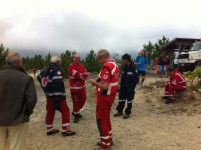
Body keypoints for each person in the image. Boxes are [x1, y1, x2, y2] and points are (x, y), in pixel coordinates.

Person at [0, 51, 37, 150]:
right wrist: (26, 113)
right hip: (18, 119)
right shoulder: (26, 78)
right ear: (18, 62)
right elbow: (32, 100)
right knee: (16, 148)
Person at [37, 54, 76, 136]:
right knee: (65, 110)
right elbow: (57, 83)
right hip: (56, 96)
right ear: (58, 61)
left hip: (49, 95)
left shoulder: (48, 68)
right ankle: (65, 130)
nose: (61, 62)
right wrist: (58, 98)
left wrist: (45, 90)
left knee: (50, 111)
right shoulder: (56, 69)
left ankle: (49, 129)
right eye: (61, 60)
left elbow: (39, 77)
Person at [90, 49, 120, 150]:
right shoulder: (115, 66)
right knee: (106, 118)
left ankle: (104, 144)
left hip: (104, 96)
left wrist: (94, 83)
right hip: (110, 97)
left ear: (104, 57)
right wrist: (98, 80)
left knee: (101, 119)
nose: (99, 61)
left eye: (99, 59)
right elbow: (103, 79)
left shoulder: (107, 67)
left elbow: (105, 86)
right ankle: (109, 139)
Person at [114, 54, 138, 119]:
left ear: (126, 60)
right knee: (121, 98)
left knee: (129, 100)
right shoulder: (125, 66)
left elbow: (136, 78)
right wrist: (120, 85)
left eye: (123, 59)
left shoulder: (133, 67)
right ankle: (120, 111)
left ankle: (127, 113)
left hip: (130, 87)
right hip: (123, 86)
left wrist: (132, 87)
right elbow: (123, 76)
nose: (122, 61)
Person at [68, 53, 88, 123]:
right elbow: (77, 75)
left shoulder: (82, 66)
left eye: (79, 58)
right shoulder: (71, 66)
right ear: (73, 59)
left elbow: (86, 75)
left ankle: (75, 111)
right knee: (75, 102)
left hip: (82, 88)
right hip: (74, 88)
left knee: (83, 99)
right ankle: (76, 115)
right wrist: (82, 75)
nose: (78, 59)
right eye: (76, 58)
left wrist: (81, 75)